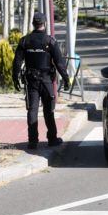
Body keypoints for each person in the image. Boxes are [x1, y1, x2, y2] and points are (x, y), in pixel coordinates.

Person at [12, 12, 71, 150]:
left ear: (33, 23)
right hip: (46, 80)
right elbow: (59, 63)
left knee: (32, 110)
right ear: (44, 23)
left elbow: (17, 62)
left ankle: (32, 141)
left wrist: (14, 78)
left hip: (31, 80)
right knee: (48, 110)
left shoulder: (24, 41)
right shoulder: (50, 41)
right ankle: (52, 138)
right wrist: (66, 79)